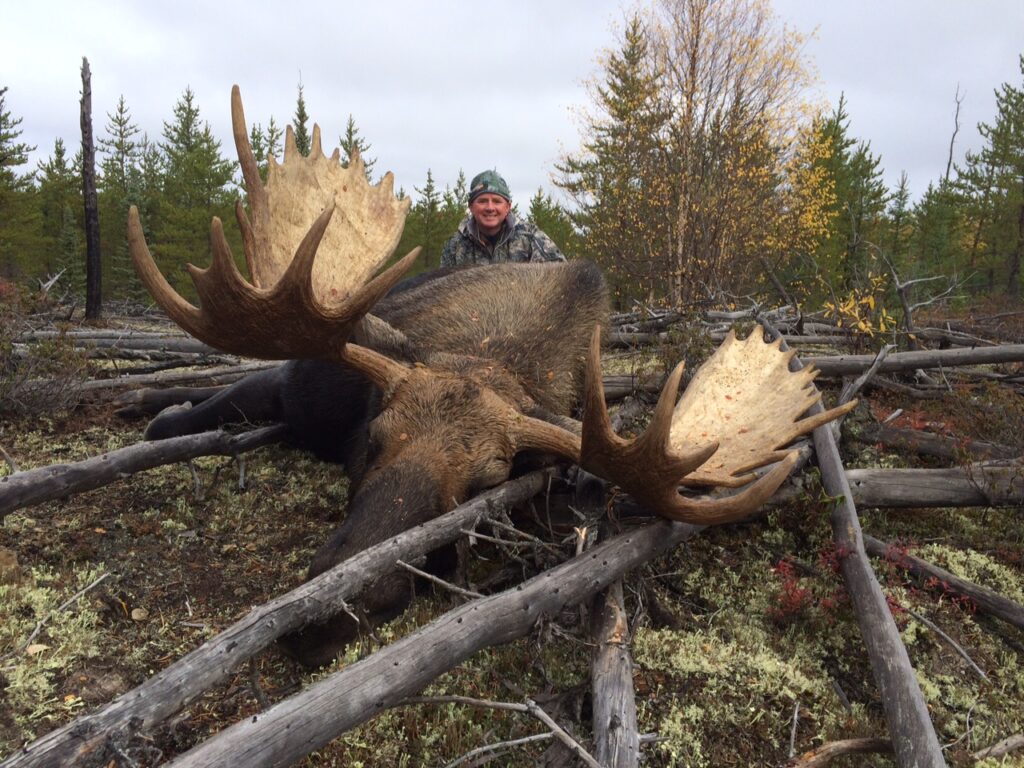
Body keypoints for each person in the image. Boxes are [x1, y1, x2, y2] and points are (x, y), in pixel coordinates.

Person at [440, 170, 566, 267]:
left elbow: (560, 278)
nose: (490, 208)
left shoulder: (531, 237)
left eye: (497, 201)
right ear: (471, 206)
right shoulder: (455, 245)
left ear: (508, 207)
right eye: (482, 201)